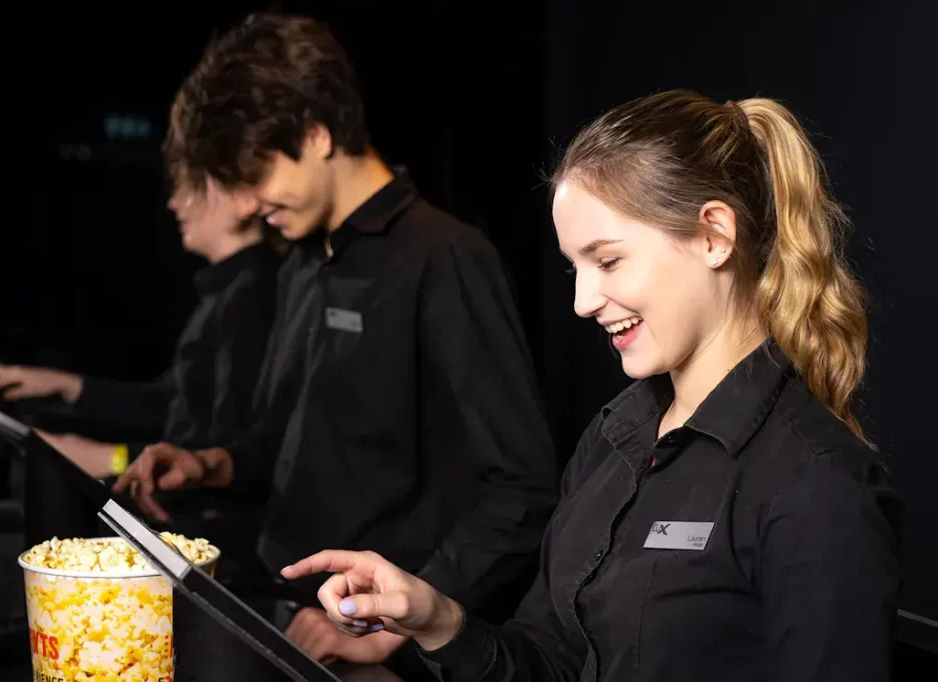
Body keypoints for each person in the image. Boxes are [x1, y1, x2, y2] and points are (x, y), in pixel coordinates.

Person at [281, 90, 902, 681]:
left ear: (715, 235)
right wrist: (438, 620)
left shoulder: (817, 483)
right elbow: (550, 663)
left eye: (607, 261)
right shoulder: (612, 441)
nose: (583, 301)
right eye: (574, 267)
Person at [110, 11, 559, 670]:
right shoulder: (301, 259)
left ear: (317, 133)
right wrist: (207, 464)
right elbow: (287, 440)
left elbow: (522, 488)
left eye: (256, 174)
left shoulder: (445, 256)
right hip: (284, 606)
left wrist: (402, 620)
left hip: (373, 644)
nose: (245, 205)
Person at [0, 170, 280, 481]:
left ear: (243, 197)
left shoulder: (253, 294)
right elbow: (172, 405)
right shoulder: (229, 292)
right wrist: (67, 385)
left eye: (192, 187)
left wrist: (112, 458)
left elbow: (229, 448)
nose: (174, 202)